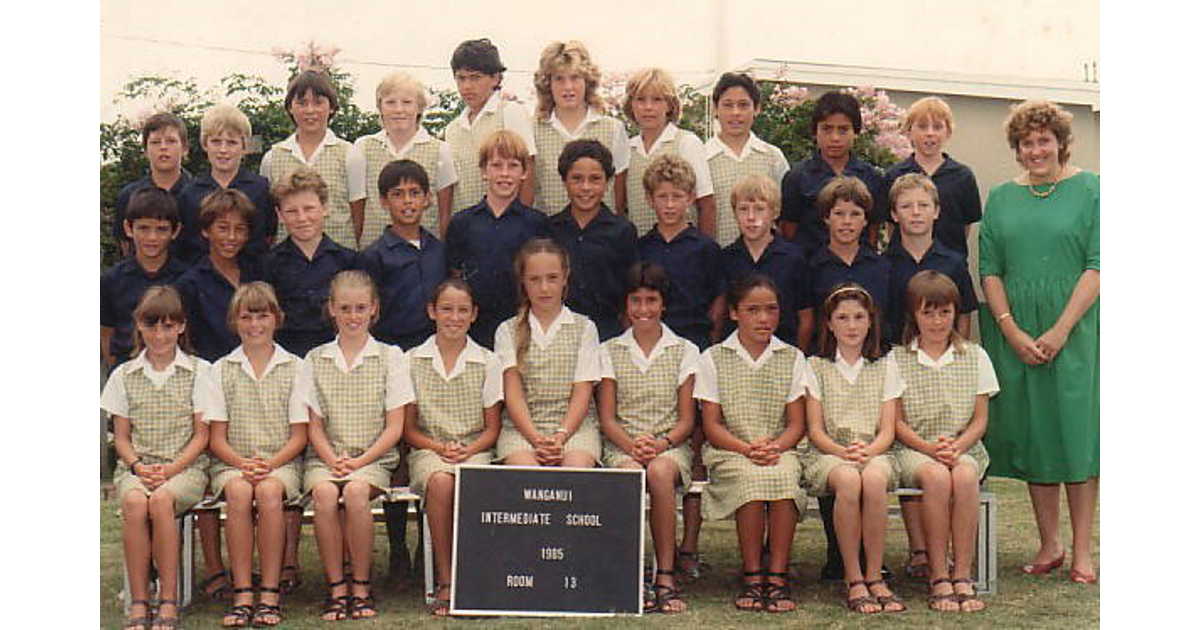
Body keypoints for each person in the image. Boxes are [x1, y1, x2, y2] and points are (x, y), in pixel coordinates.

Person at [978, 99, 1099, 584]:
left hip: (1078, 326)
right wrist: (1010, 330)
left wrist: (1061, 328)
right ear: (1017, 147)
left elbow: (1100, 263)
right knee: (1038, 434)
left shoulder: (1093, 190)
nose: (1036, 150)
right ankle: (1049, 543)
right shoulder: (1001, 197)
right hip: (1016, 330)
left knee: (1078, 435)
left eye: (1044, 140)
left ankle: (1083, 551)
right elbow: (989, 270)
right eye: (1027, 142)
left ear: (1061, 142)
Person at [298, 270, 411, 620]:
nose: (353, 316)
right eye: (344, 308)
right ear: (331, 309)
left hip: (374, 457)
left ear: (374, 309)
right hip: (326, 458)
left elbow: (395, 427)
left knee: (357, 493)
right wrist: (333, 460)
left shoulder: (391, 357)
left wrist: (361, 461)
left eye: (361, 308)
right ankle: (336, 588)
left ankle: (361, 587)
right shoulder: (314, 359)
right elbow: (313, 426)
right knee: (326, 495)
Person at [881, 173, 977, 577]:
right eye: (907, 206)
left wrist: (956, 357)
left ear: (937, 211)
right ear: (893, 214)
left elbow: (965, 317)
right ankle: (919, 549)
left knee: (950, 462)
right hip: (901, 366)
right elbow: (883, 321)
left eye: (923, 205)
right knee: (915, 453)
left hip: (945, 365)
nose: (915, 213)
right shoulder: (885, 264)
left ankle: (953, 552)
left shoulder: (953, 261)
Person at [695, 274, 809, 613]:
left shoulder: (792, 357)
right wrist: (747, 450)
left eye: (771, 310)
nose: (763, 318)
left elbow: (797, 423)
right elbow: (712, 424)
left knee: (784, 478)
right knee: (751, 480)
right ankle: (752, 572)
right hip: (731, 449)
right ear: (734, 313)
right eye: (753, 310)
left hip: (780, 448)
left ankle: (777, 574)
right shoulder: (714, 358)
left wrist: (775, 447)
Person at [100, 286, 211, 630]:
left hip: (185, 467)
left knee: (161, 501)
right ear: (139, 327)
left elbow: (202, 434)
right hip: (139, 465)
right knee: (134, 502)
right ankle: (138, 598)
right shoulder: (124, 375)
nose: (160, 335)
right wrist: (137, 466)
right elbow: (120, 436)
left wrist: (172, 469)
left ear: (180, 327)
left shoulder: (198, 370)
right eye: (152, 326)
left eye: (167, 326)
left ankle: (168, 598)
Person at [892, 270, 998, 612]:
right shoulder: (897, 359)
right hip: (914, 448)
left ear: (955, 312)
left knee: (965, 475)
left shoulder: (975, 355)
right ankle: (937, 575)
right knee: (937, 476)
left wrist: (958, 446)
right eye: (928, 312)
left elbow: (980, 419)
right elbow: (896, 423)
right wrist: (929, 449)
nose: (937, 321)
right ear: (914, 314)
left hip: (962, 446)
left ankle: (962, 574)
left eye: (945, 312)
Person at [204, 282, 309, 627]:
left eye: (262, 316)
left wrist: (270, 464)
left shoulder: (295, 367)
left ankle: (269, 591)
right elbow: (216, 437)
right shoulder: (220, 369)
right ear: (234, 321)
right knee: (238, 491)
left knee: (267, 492)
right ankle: (243, 591)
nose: (254, 326)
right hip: (233, 462)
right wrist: (242, 464)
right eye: (246, 317)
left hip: (282, 462)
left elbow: (299, 435)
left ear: (277, 319)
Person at [597, 262, 699, 614]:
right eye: (636, 301)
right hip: (621, 445)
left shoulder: (685, 350)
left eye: (651, 300)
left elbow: (687, 419)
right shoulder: (609, 350)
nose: (643, 309)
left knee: (658, 473)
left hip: (669, 445)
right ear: (626, 305)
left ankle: (665, 575)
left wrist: (661, 444)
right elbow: (607, 417)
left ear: (663, 303)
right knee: (628, 474)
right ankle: (632, 575)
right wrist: (631, 446)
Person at [402, 279, 503, 616]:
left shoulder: (488, 361)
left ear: (474, 315)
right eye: (446, 309)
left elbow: (492, 428)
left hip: (476, 449)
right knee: (441, 481)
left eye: (463, 310)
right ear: (432, 311)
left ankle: (475, 579)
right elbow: (409, 429)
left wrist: (469, 449)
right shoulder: (412, 360)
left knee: (474, 480)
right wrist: (439, 447)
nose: (454, 317)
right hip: (429, 450)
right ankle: (446, 580)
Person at [801, 283, 904, 614]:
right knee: (847, 480)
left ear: (870, 321)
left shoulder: (885, 365)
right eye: (842, 318)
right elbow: (815, 430)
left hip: (875, 451)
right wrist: (844, 453)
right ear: (829, 323)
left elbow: (888, 428)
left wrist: (869, 451)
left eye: (859, 317)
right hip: (830, 453)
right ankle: (853, 577)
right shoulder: (815, 366)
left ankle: (875, 575)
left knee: (873, 480)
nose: (851, 325)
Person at [493, 238, 602, 468]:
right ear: (523, 281)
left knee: (576, 470)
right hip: (522, 428)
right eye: (534, 279)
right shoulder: (507, 330)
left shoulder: (585, 328)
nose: (544, 288)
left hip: (575, 428)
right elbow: (513, 394)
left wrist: (561, 436)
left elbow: (583, 391)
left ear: (565, 277)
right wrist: (536, 439)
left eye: (552, 278)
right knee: (525, 472)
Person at [445, 130, 551, 348]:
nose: (505, 174)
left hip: (521, 322)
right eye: (496, 165)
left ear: (524, 172)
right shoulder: (462, 222)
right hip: (475, 327)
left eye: (513, 166)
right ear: (484, 171)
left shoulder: (537, 223)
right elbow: (455, 274)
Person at [261, 70, 366, 249]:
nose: (310, 110)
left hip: (339, 259)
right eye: (302, 103)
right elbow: (270, 215)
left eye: (318, 103)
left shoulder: (350, 155)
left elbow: (357, 215)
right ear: (290, 108)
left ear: (331, 107)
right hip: (288, 261)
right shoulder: (272, 158)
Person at [261, 167, 359, 358]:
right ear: (280, 215)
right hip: (287, 358)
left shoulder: (348, 262)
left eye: (309, 209)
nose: (302, 218)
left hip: (338, 356)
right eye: (291, 211)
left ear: (324, 208)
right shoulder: (267, 265)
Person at [548, 139, 638, 341]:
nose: (585, 187)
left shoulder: (622, 231)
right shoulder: (550, 230)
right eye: (577, 179)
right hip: (560, 332)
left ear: (607, 182)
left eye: (595, 179)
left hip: (608, 332)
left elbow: (631, 287)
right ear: (564, 182)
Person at [780, 91, 886, 256]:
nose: (835, 137)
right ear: (815, 131)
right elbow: (788, 232)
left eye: (843, 130)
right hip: (809, 269)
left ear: (856, 132)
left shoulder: (872, 178)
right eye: (827, 129)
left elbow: (872, 233)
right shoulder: (797, 177)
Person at [531, 40, 630, 214]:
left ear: (587, 81)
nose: (567, 87)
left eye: (575, 78)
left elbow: (619, 194)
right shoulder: (532, 130)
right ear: (548, 84)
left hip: (600, 235)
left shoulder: (613, 129)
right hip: (549, 234)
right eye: (559, 79)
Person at [354, 72, 457, 239]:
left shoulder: (440, 151)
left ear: (419, 107)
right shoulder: (363, 147)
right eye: (390, 102)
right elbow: (358, 206)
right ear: (380, 107)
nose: (399, 109)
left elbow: (445, 213)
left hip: (423, 254)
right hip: (374, 252)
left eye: (407, 102)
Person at [359, 159, 447, 350]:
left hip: (436, 348)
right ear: (384, 201)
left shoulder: (440, 250)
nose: (407, 200)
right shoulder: (373, 256)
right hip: (392, 349)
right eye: (398, 194)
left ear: (427, 198)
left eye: (414, 193)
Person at [718, 173, 812, 349]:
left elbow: (805, 317)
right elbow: (720, 313)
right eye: (743, 209)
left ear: (775, 212)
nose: (751, 217)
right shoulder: (726, 258)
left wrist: (798, 358)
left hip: (784, 352)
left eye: (760, 209)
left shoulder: (794, 258)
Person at [101, 187, 189, 371]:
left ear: (175, 231)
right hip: (126, 370)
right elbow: (106, 332)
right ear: (128, 228)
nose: (152, 237)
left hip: (177, 372)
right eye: (143, 228)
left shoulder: (188, 279)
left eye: (161, 229)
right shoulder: (112, 279)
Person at [882, 96, 982, 257]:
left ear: (948, 132)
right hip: (904, 264)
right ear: (909, 132)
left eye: (937, 127)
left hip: (949, 267)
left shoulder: (963, 177)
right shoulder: (894, 176)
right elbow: (891, 224)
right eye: (922, 127)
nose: (930, 133)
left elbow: (965, 225)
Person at [446, 38, 537, 211]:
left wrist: (520, 219)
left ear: (495, 78)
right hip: (467, 226)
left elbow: (528, 171)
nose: (467, 86)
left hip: (507, 224)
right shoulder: (453, 129)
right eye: (461, 78)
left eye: (475, 78)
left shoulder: (510, 113)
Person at [622, 67, 715, 236]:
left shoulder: (686, 143)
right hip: (641, 251)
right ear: (631, 104)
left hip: (683, 251)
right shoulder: (627, 149)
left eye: (657, 100)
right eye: (641, 100)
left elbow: (706, 204)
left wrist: (705, 255)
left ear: (669, 105)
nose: (648, 107)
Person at [178, 104, 275, 263]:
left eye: (231, 143)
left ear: (244, 146)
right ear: (205, 145)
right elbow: (186, 244)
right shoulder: (190, 193)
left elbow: (268, 237)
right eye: (216, 142)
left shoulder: (261, 188)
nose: (223, 150)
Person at [177, 189, 263, 362]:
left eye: (240, 229)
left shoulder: (259, 273)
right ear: (206, 230)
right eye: (223, 228)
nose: (231, 237)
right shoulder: (190, 284)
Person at [705, 72, 790, 247]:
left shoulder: (772, 156)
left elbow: (785, 213)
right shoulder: (702, 157)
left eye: (743, 105)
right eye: (727, 105)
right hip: (718, 259)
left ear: (756, 108)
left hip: (766, 259)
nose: (735, 113)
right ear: (715, 108)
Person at [806, 176, 891, 339]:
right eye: (839, 214)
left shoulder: (882, 267)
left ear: (866, 220)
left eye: (855, 214)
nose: (847, 222)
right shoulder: (811, 268)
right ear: (826, 217)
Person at [111, 112, 192, 258]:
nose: (163, 147)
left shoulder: (201, 194)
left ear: (185, 148)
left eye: (171, 141)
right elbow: (126, 247)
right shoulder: (128, 196)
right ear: (145, 151)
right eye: (155, 142)